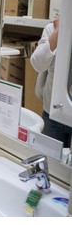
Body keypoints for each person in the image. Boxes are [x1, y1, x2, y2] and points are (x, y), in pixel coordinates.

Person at [31, 18, 72, 148]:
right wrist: (59, 31)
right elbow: (37, 64)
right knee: (49, 162)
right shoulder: (52, 29)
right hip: (51, 114)